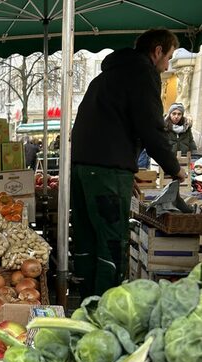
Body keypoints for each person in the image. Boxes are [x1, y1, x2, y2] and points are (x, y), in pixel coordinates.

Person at [71, 28, 186, 298]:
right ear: (157, 51)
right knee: (111, 244)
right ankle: (106, 311)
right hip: (106, 173)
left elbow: (105, 125)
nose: (167, 64)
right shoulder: (142, 74)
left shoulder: (105, 77)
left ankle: (86, 305)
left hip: (82, 170)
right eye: (168, 57)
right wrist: (175, 168)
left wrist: (122, 166)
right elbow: (151, 128)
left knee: (87, 240)